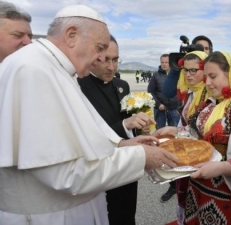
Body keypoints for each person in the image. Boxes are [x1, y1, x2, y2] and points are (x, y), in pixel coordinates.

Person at [0, 5, 178, 225]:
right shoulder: (34, 69)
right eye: (99, 48)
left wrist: (121, 145)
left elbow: (80, 136)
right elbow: (64, 174)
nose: (101, 59)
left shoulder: (56, 68)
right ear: (72, 35)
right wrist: (142, 156)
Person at [162, 51, 231, 224]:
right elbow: (194, 134)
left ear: (229, 73)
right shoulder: (211, 103)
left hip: (227, 193)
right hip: (200, 186)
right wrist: (173, 131)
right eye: (206, 76)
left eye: (213, 76)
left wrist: (220, 167)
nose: (207, 82)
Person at [78, 35, 155, 225]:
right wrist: (125, 125)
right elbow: (87, 134)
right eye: (104, 60)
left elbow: (127, 120)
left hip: (127, 166)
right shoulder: (78, 87)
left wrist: (140, 129)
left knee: (127, 214)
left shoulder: (122, 85)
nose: (111, 67)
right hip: (103, 169)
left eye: (115, 60)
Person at [153, 51, 211, 224]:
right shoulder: (191, 92)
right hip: (189, 155)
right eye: (186, 70)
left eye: (194, 70)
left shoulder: (210, 94)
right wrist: (175, 131)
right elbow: (167, 90)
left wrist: (179, 132)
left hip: (202, 158)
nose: (188, 74)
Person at [147, 54, 181, 203]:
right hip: (160, 109)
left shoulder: (178, 74)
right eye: (162, 62)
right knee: (161, 139)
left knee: (179, 139)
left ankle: (179, 169)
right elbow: (151, 92)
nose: (165, 64)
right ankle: (167, 175)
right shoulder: (155, 76)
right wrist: (157, 104)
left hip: (174, 109)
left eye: (167, 62)